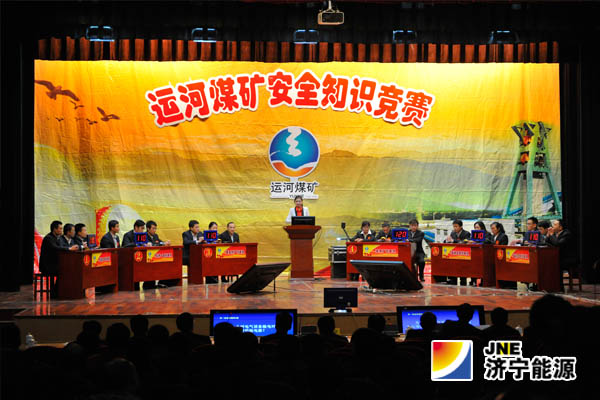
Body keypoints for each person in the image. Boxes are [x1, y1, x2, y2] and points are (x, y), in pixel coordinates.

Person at [39, 221, 75, 296]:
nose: (62, 230)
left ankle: (59, 290)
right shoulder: (48, 238)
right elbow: (55, 248)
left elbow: (61, 247)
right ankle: (56, 291)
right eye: (60, 228)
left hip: (54, 264)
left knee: (69, 269)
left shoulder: (57, 238)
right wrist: (69, 249)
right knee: (65, 271)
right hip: (47, 265)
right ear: (55, 229)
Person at [546, 219, 575, 289]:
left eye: (555, 225)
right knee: (546, 263)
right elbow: (547, 242)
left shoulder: (566, 234)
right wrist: (548, 235)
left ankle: (559, 287)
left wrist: (552, 235)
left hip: (568, 258)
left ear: (560, 227)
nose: (552, 226)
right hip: (559, 257)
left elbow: (557, 244)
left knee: (556, 264)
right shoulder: (555, 233)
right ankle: (548, 285)